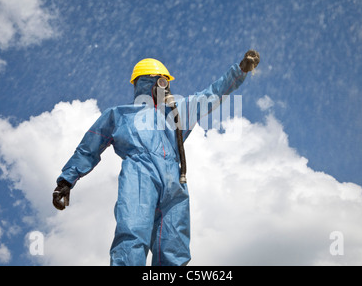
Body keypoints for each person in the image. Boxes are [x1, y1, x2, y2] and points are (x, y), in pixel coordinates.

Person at [52, 50, 260, 266]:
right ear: (151, 83)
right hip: (139, 176)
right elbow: (89, 147)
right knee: (132, 234)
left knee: (174, 246)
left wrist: (240, 71)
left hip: (174, 182)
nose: (168, 88)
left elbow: (212, 94)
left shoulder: (177, 112)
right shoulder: (120, 115)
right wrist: (66, 181)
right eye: (164, 82)